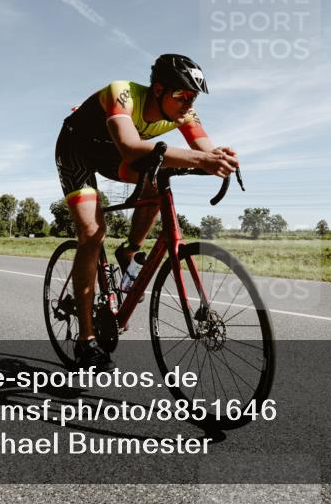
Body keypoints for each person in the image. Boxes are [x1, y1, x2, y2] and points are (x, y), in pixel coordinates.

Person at [55, 54, 238, 370]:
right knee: (92, 233)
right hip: (78, 150)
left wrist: (221, 159)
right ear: (157, 89)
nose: (187, 102)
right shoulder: (122, 92)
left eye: (193, 96)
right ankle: (85, 341)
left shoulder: (185, 113)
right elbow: (129, 146)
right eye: (181, 94)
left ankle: (129, 251)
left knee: (156, 180)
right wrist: (200, 161)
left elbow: (205, 152)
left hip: (112, 154)